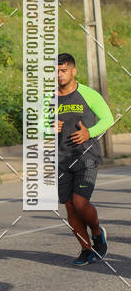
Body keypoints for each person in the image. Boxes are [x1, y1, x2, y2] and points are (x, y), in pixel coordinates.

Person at [57, 53, 114, 265]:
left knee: (80, 202)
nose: (59, 75)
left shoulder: (89, 94)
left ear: (73, 71)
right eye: (56, 71)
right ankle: (86, 248)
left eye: (63, 70)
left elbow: (107, 118)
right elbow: (39, 125)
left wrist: (89, 132)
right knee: (70, 206)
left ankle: (97, 233)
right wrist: (48, 127)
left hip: (86, 156)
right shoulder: (49, 98)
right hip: (62, 158)